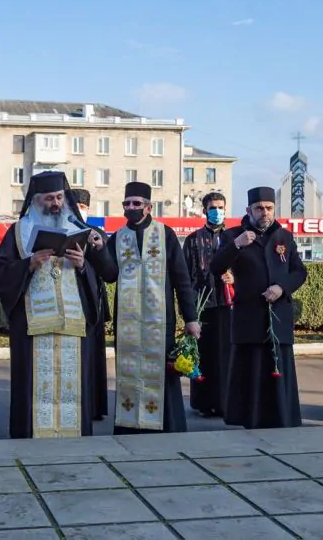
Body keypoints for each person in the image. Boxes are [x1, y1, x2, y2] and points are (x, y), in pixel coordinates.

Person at [0, 171, 114, 439]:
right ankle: (31, 435)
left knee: (73, 385)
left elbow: (106, 274)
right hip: (33, 325)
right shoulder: (18, 232)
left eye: (59, 197)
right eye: (49, 198)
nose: (56, 203)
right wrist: (29, 264)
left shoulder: (79, 229)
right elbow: (1, 273)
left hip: (73, 323)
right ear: (36, 200)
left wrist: (83, 266)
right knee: (34, 385)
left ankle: (73, 435)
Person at [104, 182, 199, 434]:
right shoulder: (118, 237)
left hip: (160, 319)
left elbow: (181, 278)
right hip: (128, 322)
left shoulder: (164, 234)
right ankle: (129, 426)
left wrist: (191, 318)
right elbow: (109, 275)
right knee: (129, 372)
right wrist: (98, 250)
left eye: (136, 203)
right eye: (126, 203)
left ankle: (167, 426)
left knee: (162, 373)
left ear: (148, 207)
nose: (130, 207)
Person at [210, 186, 307, 430]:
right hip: (249, 316)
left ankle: (282, 416)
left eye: (269, 208)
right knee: (251, 369)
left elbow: (299, 272)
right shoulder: (233, 235)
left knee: (279, 368)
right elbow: (216, 267)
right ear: (249, 210)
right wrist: (237, 245)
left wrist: (282, 287)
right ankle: (249, 417)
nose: (264, 212)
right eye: (259, 208)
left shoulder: (284, 237)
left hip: (278, 315)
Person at [183, 192, 235, 418]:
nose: (217, 211)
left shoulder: (234, 238)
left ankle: (226, 403)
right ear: (204, 210)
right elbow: (184, 275)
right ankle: (204, 403)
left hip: (226, 305)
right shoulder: (192, 240)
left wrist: (235, 278)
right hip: (202, 305)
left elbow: (247, 268)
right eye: (213, 208)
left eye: (221, 207)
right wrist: (188, 310)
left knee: (225, 356)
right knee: (203, 356)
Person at [70, 188, 111, 421]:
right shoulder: (62, 231)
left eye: (84, 207)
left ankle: (94, 405)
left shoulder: (97, 233)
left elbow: (109, 271)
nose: (80, 211)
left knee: (93, 355)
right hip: (70, 300)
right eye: (77, 206)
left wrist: (99, 248)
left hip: (93, 301)